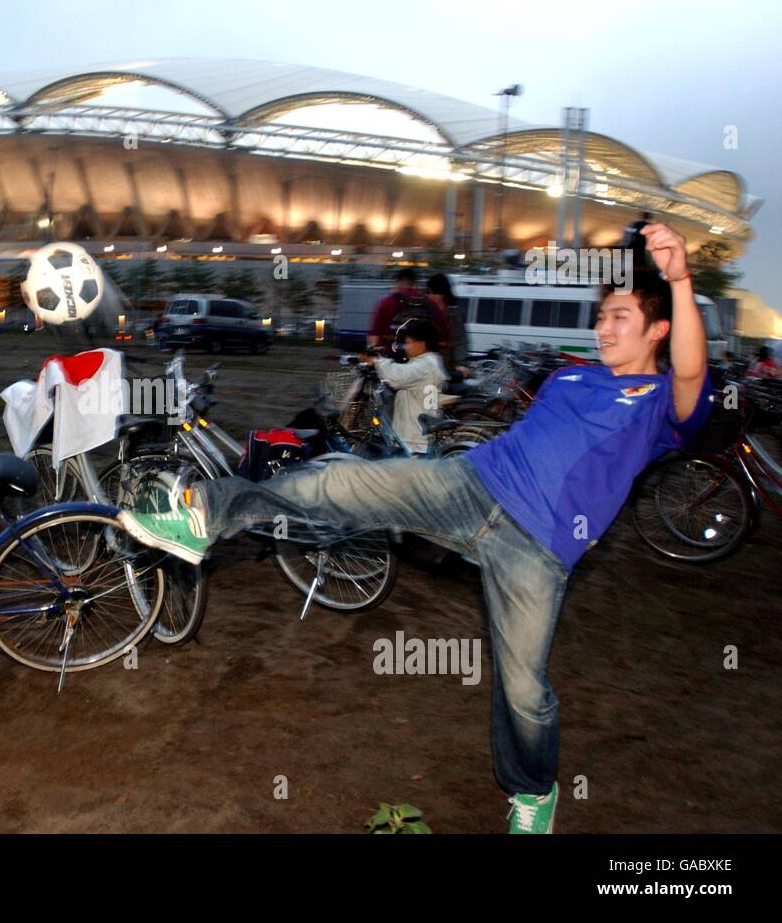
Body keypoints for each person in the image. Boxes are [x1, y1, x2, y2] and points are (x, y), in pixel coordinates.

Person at [119, 223, 712, 833]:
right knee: (337, 478)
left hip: (536, 549)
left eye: (618, 317)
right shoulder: (569, 377)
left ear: (657, 328)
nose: (602, 328)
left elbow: (692, 373)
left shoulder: (660, 401)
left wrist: (680, 278)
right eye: (602, 317)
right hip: (470, 485)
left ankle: (533, 794)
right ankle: (204, 515)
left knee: (525, 690)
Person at [358, 318, 447, 454]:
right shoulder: (430, 360)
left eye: (407, 343)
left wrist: (377, 362)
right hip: (419, 430)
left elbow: (399, 376)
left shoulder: (424, 365)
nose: (405, 347)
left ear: (421, 344)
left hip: (415, 437)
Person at [367, 267, 447, 353]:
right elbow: (444, 341)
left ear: (397, 282)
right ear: (414, 283)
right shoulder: (430, 304)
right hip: (422, 361)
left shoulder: (386, 303)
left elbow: (373, 337)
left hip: (392, 358)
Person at [426, 273, 469, 379]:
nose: (431, 296)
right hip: (427, 364)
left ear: (444, 294)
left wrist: (460, 364)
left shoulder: (454, 314)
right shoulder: (424, 312)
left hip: (447, 364)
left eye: (435, 293)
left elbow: (461, 341)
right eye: (429, 293)